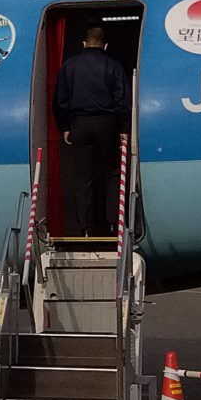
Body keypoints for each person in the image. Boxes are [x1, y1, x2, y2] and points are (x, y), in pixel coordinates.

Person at [52, 22, 129, 239]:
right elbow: (122, 100)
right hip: (107, 123)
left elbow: (60, 100)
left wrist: (65, 126)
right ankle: (113, 223)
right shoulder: (113, 66)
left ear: (84, 43)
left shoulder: (69, 66)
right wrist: (124, 128)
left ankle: (86, 227)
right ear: (105, 46)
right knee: (112, 173)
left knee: (83, 177)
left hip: (80, 124)